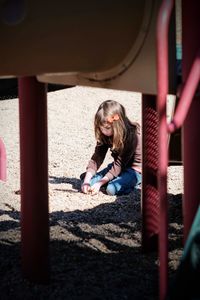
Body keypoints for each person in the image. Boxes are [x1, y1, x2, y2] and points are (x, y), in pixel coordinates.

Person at [81, 100, 142, 196]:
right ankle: (108, 179)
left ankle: (136, 183)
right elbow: (98, 156)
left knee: (111, 189)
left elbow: (119, 164)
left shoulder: (132, 135)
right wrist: (86, 181)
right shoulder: (105, 134)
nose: (104, 131)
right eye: (101, 128)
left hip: (135, 170)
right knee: (88, 181)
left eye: (107, 128)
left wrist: (100, 183)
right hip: (119, 166)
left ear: (117, 125)